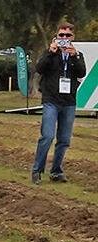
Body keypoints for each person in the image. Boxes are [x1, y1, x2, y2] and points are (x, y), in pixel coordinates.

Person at [32, 22, 87, 185]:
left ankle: (56, 171)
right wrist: (50, 52)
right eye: (61, 35)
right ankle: (37, 170)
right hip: (51, 101)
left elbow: (82, 72)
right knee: (48, 136)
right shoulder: (50, 53)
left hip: (69, 102)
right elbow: (40, 68)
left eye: (67, 36)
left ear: (73, 38)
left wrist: (74, 56)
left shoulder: (77, 55)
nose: (64, 38)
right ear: (56, 36)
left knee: (64, 139)